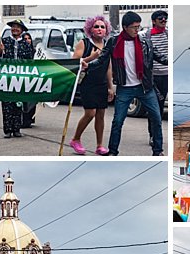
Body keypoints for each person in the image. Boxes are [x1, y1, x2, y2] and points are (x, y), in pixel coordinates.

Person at [83, 11, 163, 156]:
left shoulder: (144, 41)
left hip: (144, 86)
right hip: (125, 88)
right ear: (125, 27)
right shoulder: (114, 42)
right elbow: (102, 59)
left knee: (156, 118)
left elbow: (157, 56)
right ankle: (113, 151)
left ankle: (157, 151)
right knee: (117, 121)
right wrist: (89, 65)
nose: (137, 30)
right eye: (134, 27)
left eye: (138, 27)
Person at [70, 16, 114, 156]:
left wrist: (110, 86)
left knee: (100, 114)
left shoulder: (107, 45)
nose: (100, 29)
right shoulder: (84, 43)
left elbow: (108, 67)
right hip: (87, 82)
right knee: (90, 113)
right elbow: (75, 63)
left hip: (101, 83)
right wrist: (91, 58)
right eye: (96, 26)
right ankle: (76, 139)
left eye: (102, 27)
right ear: (90, 29)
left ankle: (99, 145)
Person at [0, 19, 34, 138]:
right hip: (6, 78)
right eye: (13, 27)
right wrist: (1, 51)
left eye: (17, 27)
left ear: (22, 30)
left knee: (18, 104)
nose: (15, 29)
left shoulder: (26, 44)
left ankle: (17, 129)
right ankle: (8, 130)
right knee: (7, 104)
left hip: (20, 78)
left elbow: (30, 61)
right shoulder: (5, 41)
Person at [148, 10, 169, 139]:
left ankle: (156, 135)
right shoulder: (147, 36)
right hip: (153, 76)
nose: (163, 20)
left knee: (160, 107)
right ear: (154, 21)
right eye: (160, 18)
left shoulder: (168, 35)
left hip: (166, 75)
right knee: (153, 107)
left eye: (165, 18)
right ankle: (152, 134)